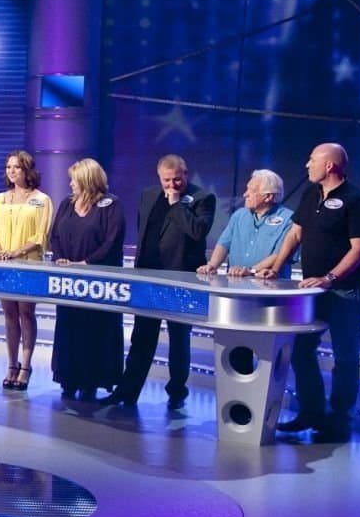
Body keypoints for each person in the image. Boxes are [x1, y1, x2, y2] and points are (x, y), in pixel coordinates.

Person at [258, 143, 360, 443]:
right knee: (301, 350)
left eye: (312, 160)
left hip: (346, 291)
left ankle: (339, 421)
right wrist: (276, 266)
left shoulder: (357, 200)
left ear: (329, 165)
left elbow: (359, 249)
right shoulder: (311, 193)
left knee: (345, 358)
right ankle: (311, 412)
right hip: (312, 290)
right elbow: (295, 233)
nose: (307, 165)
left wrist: (330, 278)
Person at [101, 155, 215, 410]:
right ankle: (127, 392)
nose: (172, 185)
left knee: (179, 339)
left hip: (180, 282)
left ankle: (177, 392)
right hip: (148, 279)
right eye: (167, 180)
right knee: (142, 337)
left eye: (177, 180)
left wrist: (176, 205)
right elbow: (144, 233)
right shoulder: (149, 195)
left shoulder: (202, 198)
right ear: (159, 177)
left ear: (186, 174)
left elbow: (198, 231)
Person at [47, 158, 126, 402]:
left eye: (74, 180)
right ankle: (68, 378)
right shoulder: (67, 204)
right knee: (69, 326)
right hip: (69, 280)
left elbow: (112, 241)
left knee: (95, 329)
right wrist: (61, 259)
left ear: (87, 180)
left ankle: (92, 380)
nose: (71, 184)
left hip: (99, 281)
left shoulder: (110, 205)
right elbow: (55, 236)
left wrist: (87, 263)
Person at [0, 150, 52, 391]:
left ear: (27, 170)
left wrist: (17, 252)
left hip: (28, 264)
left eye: (17, 167)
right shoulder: (0, 199)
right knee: (9, 314)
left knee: (26, 313)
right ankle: (11, 365)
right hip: (4, 264)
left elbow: (40, 236)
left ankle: (26, 366)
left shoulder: (41, 200)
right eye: (8, 167)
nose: (11, 171)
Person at [197, 169, 294, 277]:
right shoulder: (239, 215)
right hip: (235, 281)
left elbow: (280, 254)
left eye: (251, 191)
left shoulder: (288, 219)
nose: (245, 194)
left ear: (268, 197)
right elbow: (223, 244)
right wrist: (212, 265)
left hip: (269, 283)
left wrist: (251, 271)